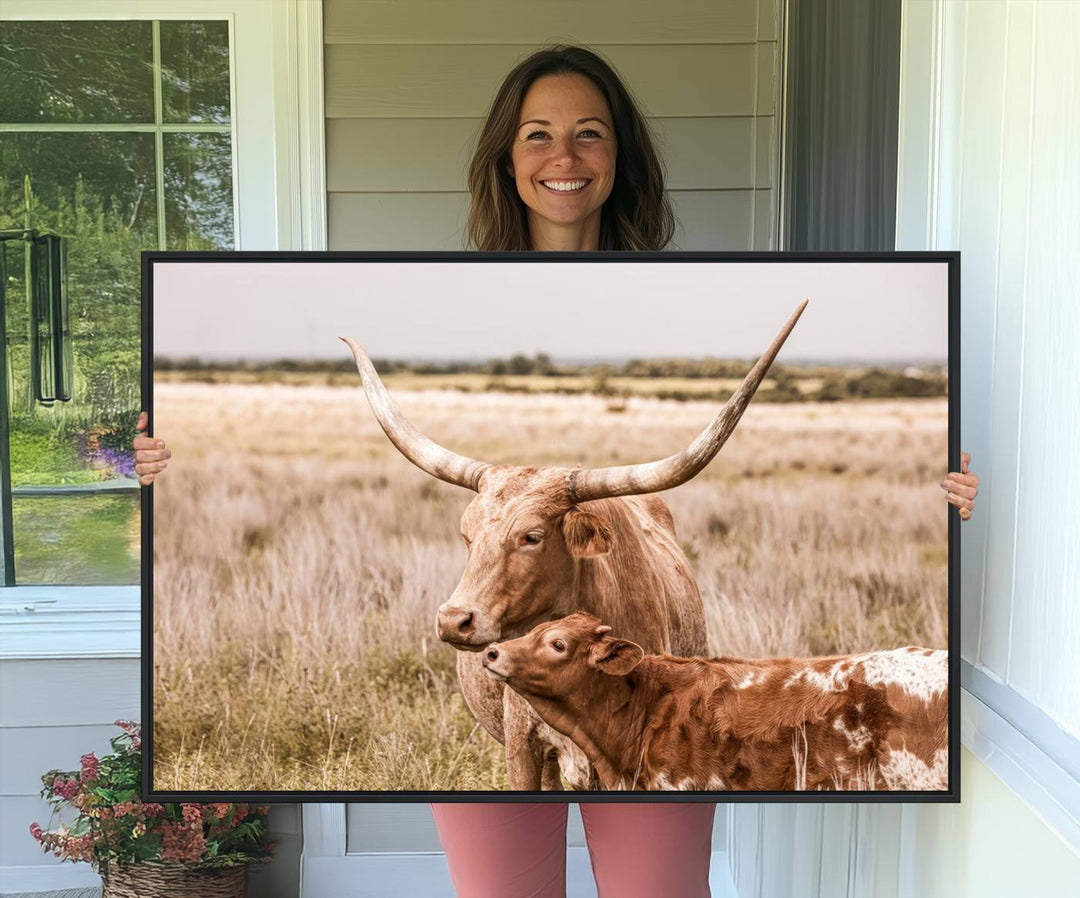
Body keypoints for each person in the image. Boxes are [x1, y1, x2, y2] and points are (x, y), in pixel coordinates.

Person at [134, 45, 979, 898]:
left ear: (621, 157)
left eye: (589, 134)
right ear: (507, 156)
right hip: (517, 665)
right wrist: (149, 464)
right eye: (537, 135)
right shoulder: (439, 288)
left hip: (651, 710)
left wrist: (953, 497)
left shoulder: (694, 289)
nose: (563, 158)